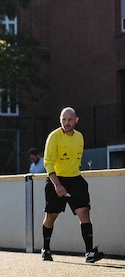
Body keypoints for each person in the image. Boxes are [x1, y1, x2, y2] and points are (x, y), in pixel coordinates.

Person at [39, 107, 103, 263]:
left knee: (85, 214)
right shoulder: (53, 137)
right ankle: (45, 249)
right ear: (60, 120)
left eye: (70, 120)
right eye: (64, 119)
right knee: (50, 217)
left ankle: (89, 253)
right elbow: (48, 163)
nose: (66, 123)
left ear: (76, 120)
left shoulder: (80, 137)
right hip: (57, 180)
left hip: (76, 181)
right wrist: (58, 185)